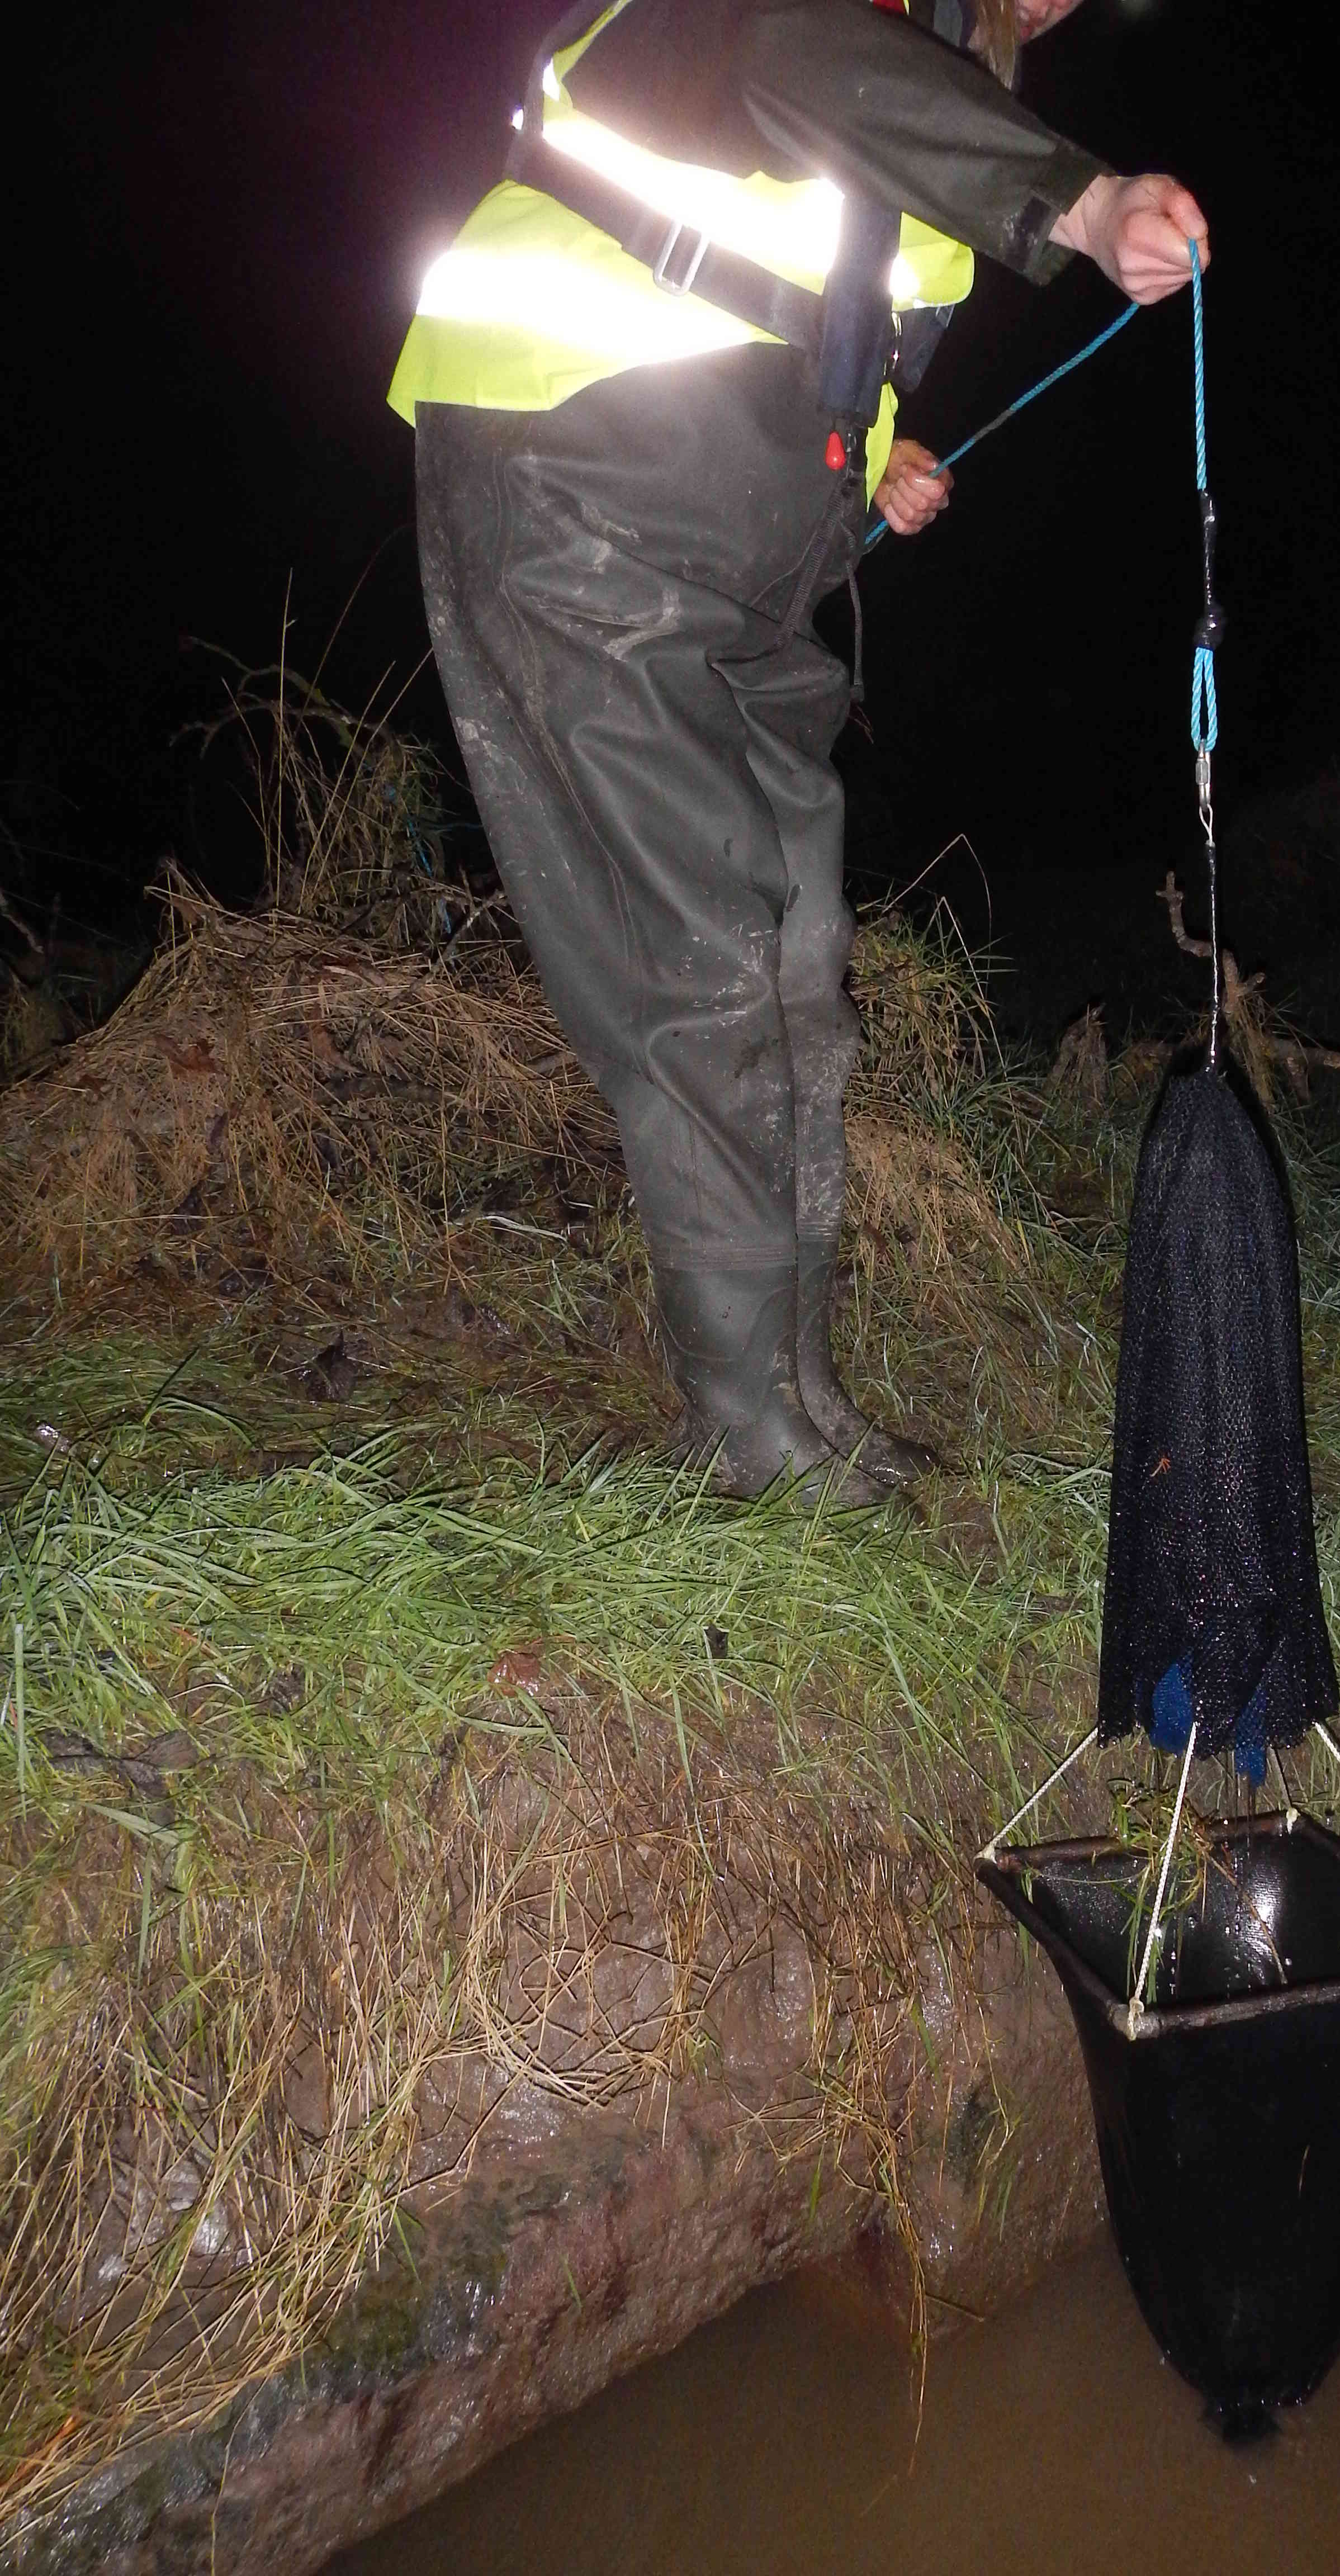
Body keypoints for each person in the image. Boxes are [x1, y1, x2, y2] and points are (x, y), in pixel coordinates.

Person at [390, 0, 1208, 1500]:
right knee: (700, 969)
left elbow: (795, 283)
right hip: (575, 478)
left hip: (731, 549)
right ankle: (745, 1432)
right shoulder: (863, 30)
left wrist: (863, 453)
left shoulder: (948, 61)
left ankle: (798, 1398)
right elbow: (789, 57)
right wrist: (1079, 201)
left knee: (791, 956)